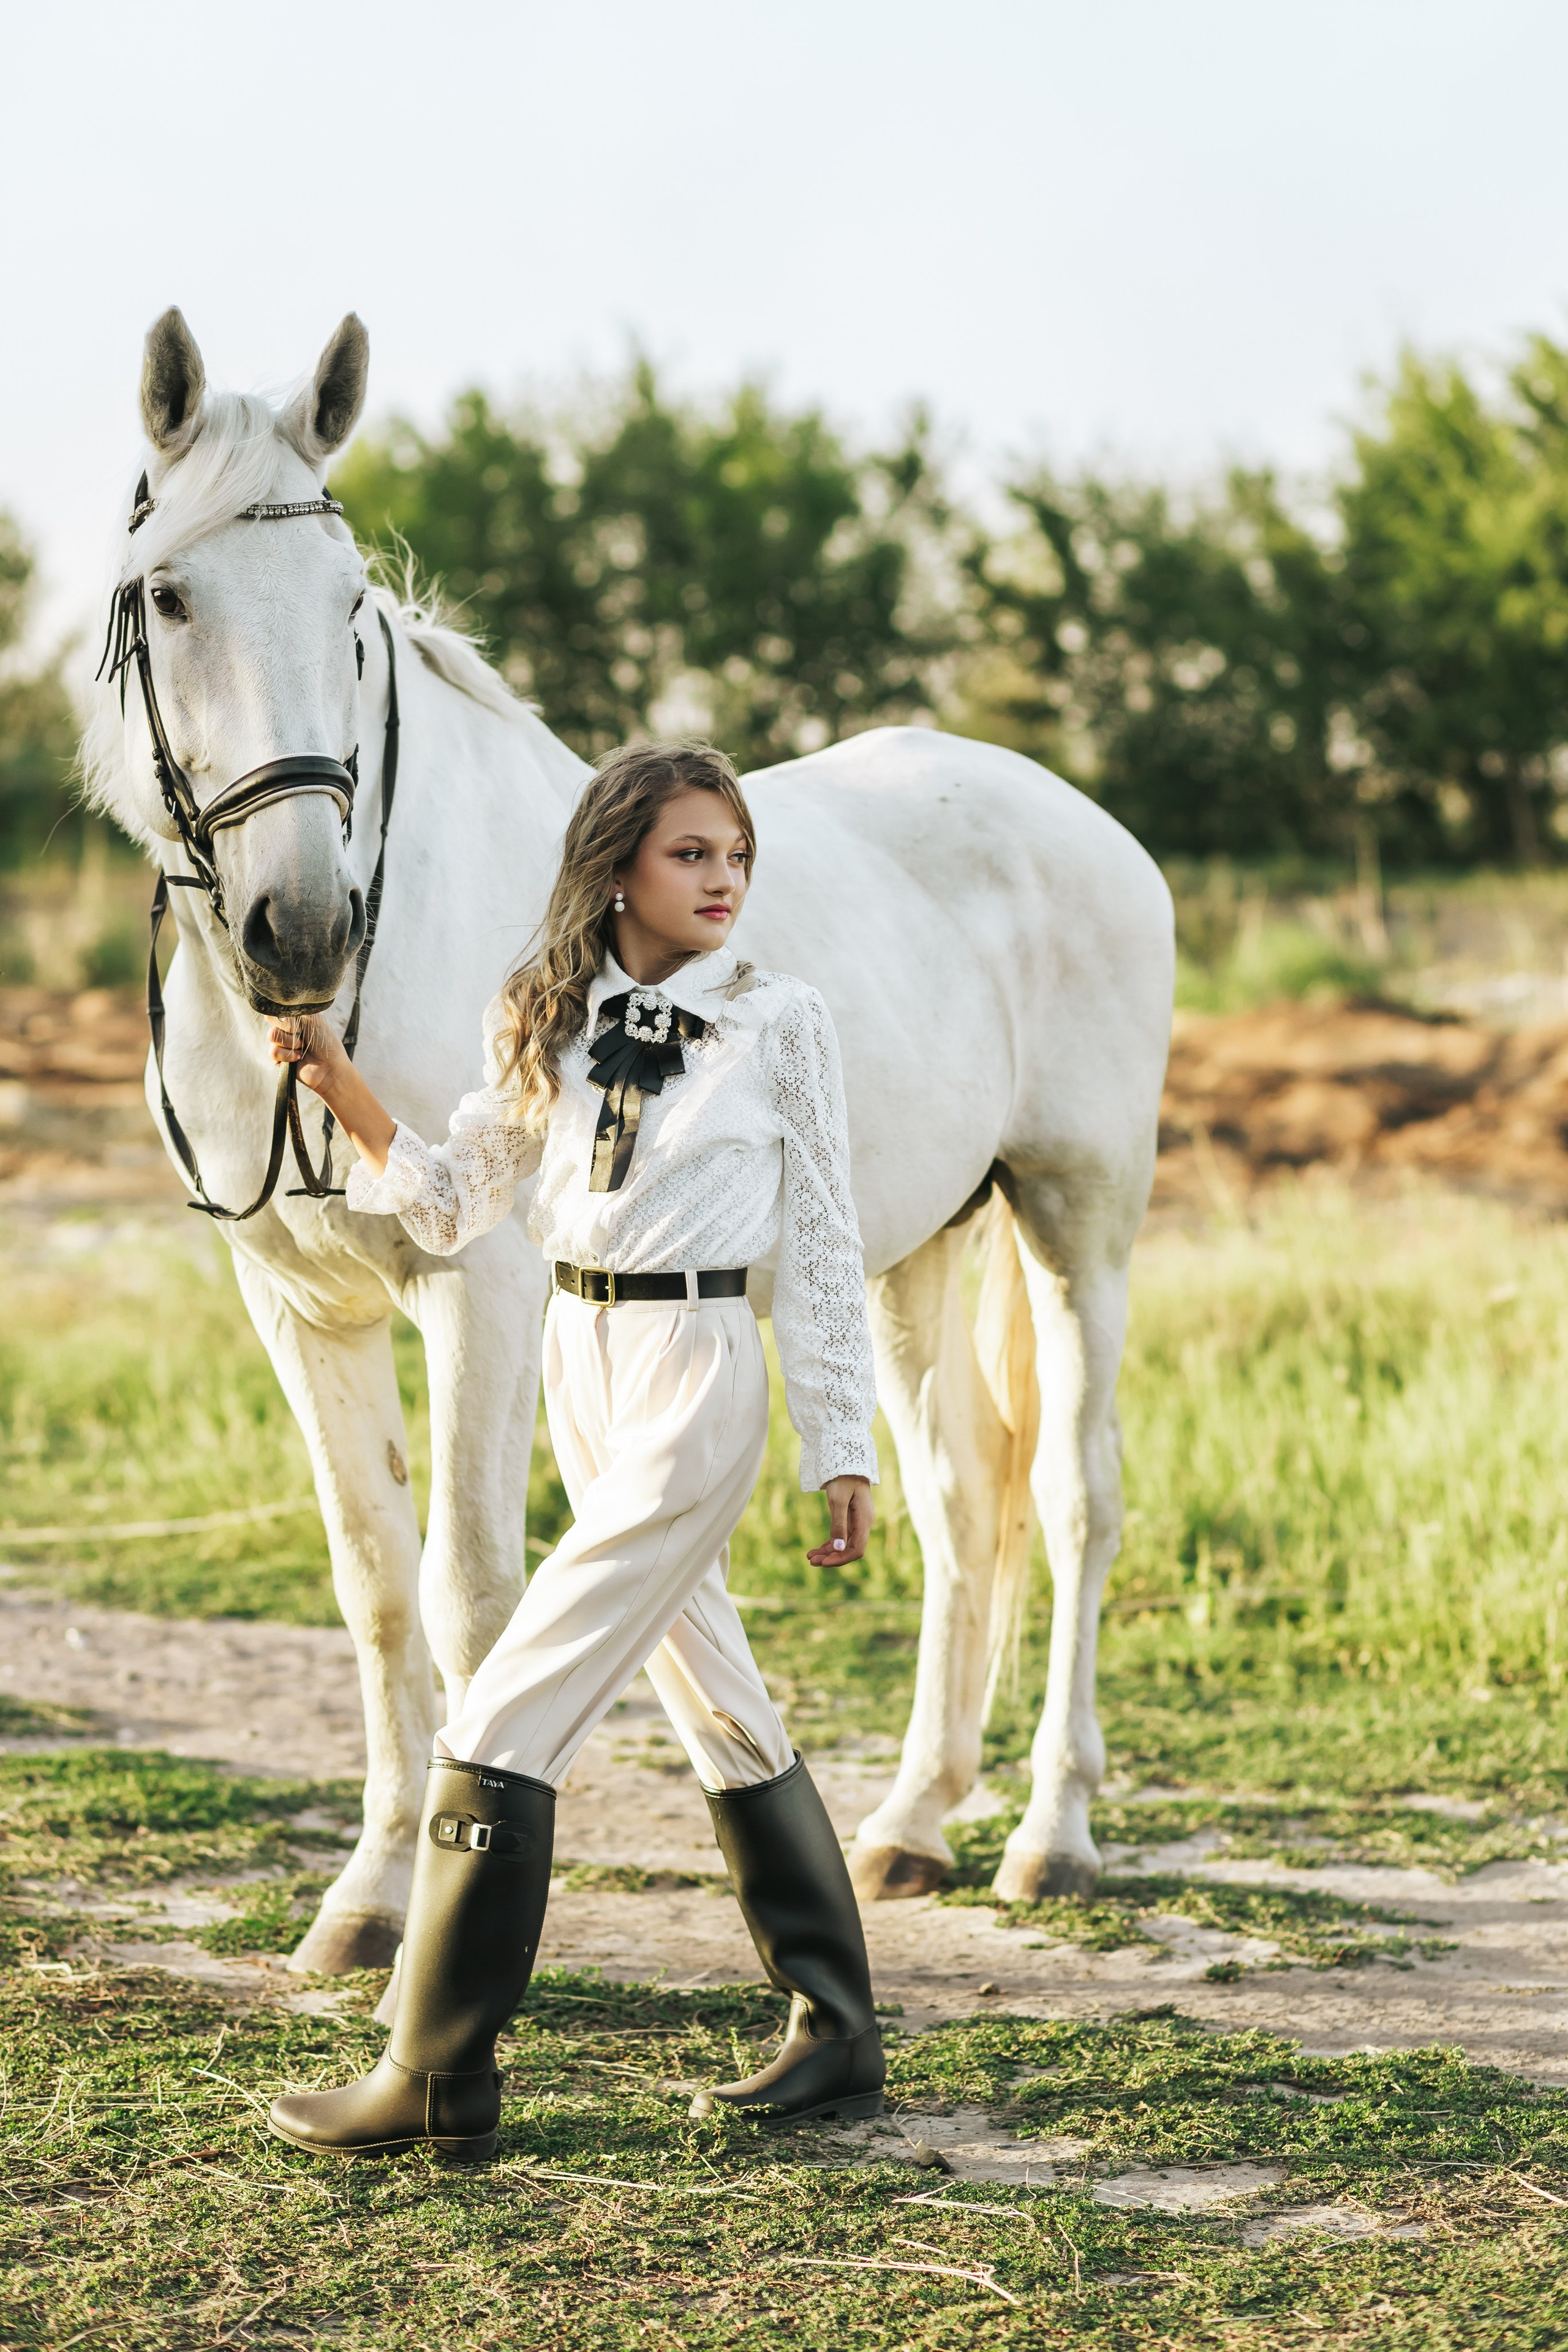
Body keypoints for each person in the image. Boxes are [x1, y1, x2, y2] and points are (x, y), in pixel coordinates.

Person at [265, 742, 884, 2161]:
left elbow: (831, 1242)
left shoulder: (779, 1019)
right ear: (616, 868)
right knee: (719, 1699)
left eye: (735, 855)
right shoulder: (542, 1017)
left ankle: (434, 2068)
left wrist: (838, 1441)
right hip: (578, 1359)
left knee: (498, 1713)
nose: (723, 878)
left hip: (696, 1369)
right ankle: (836, 2029)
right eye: (691, 854)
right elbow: (442, 1207)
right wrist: (342, 1084)